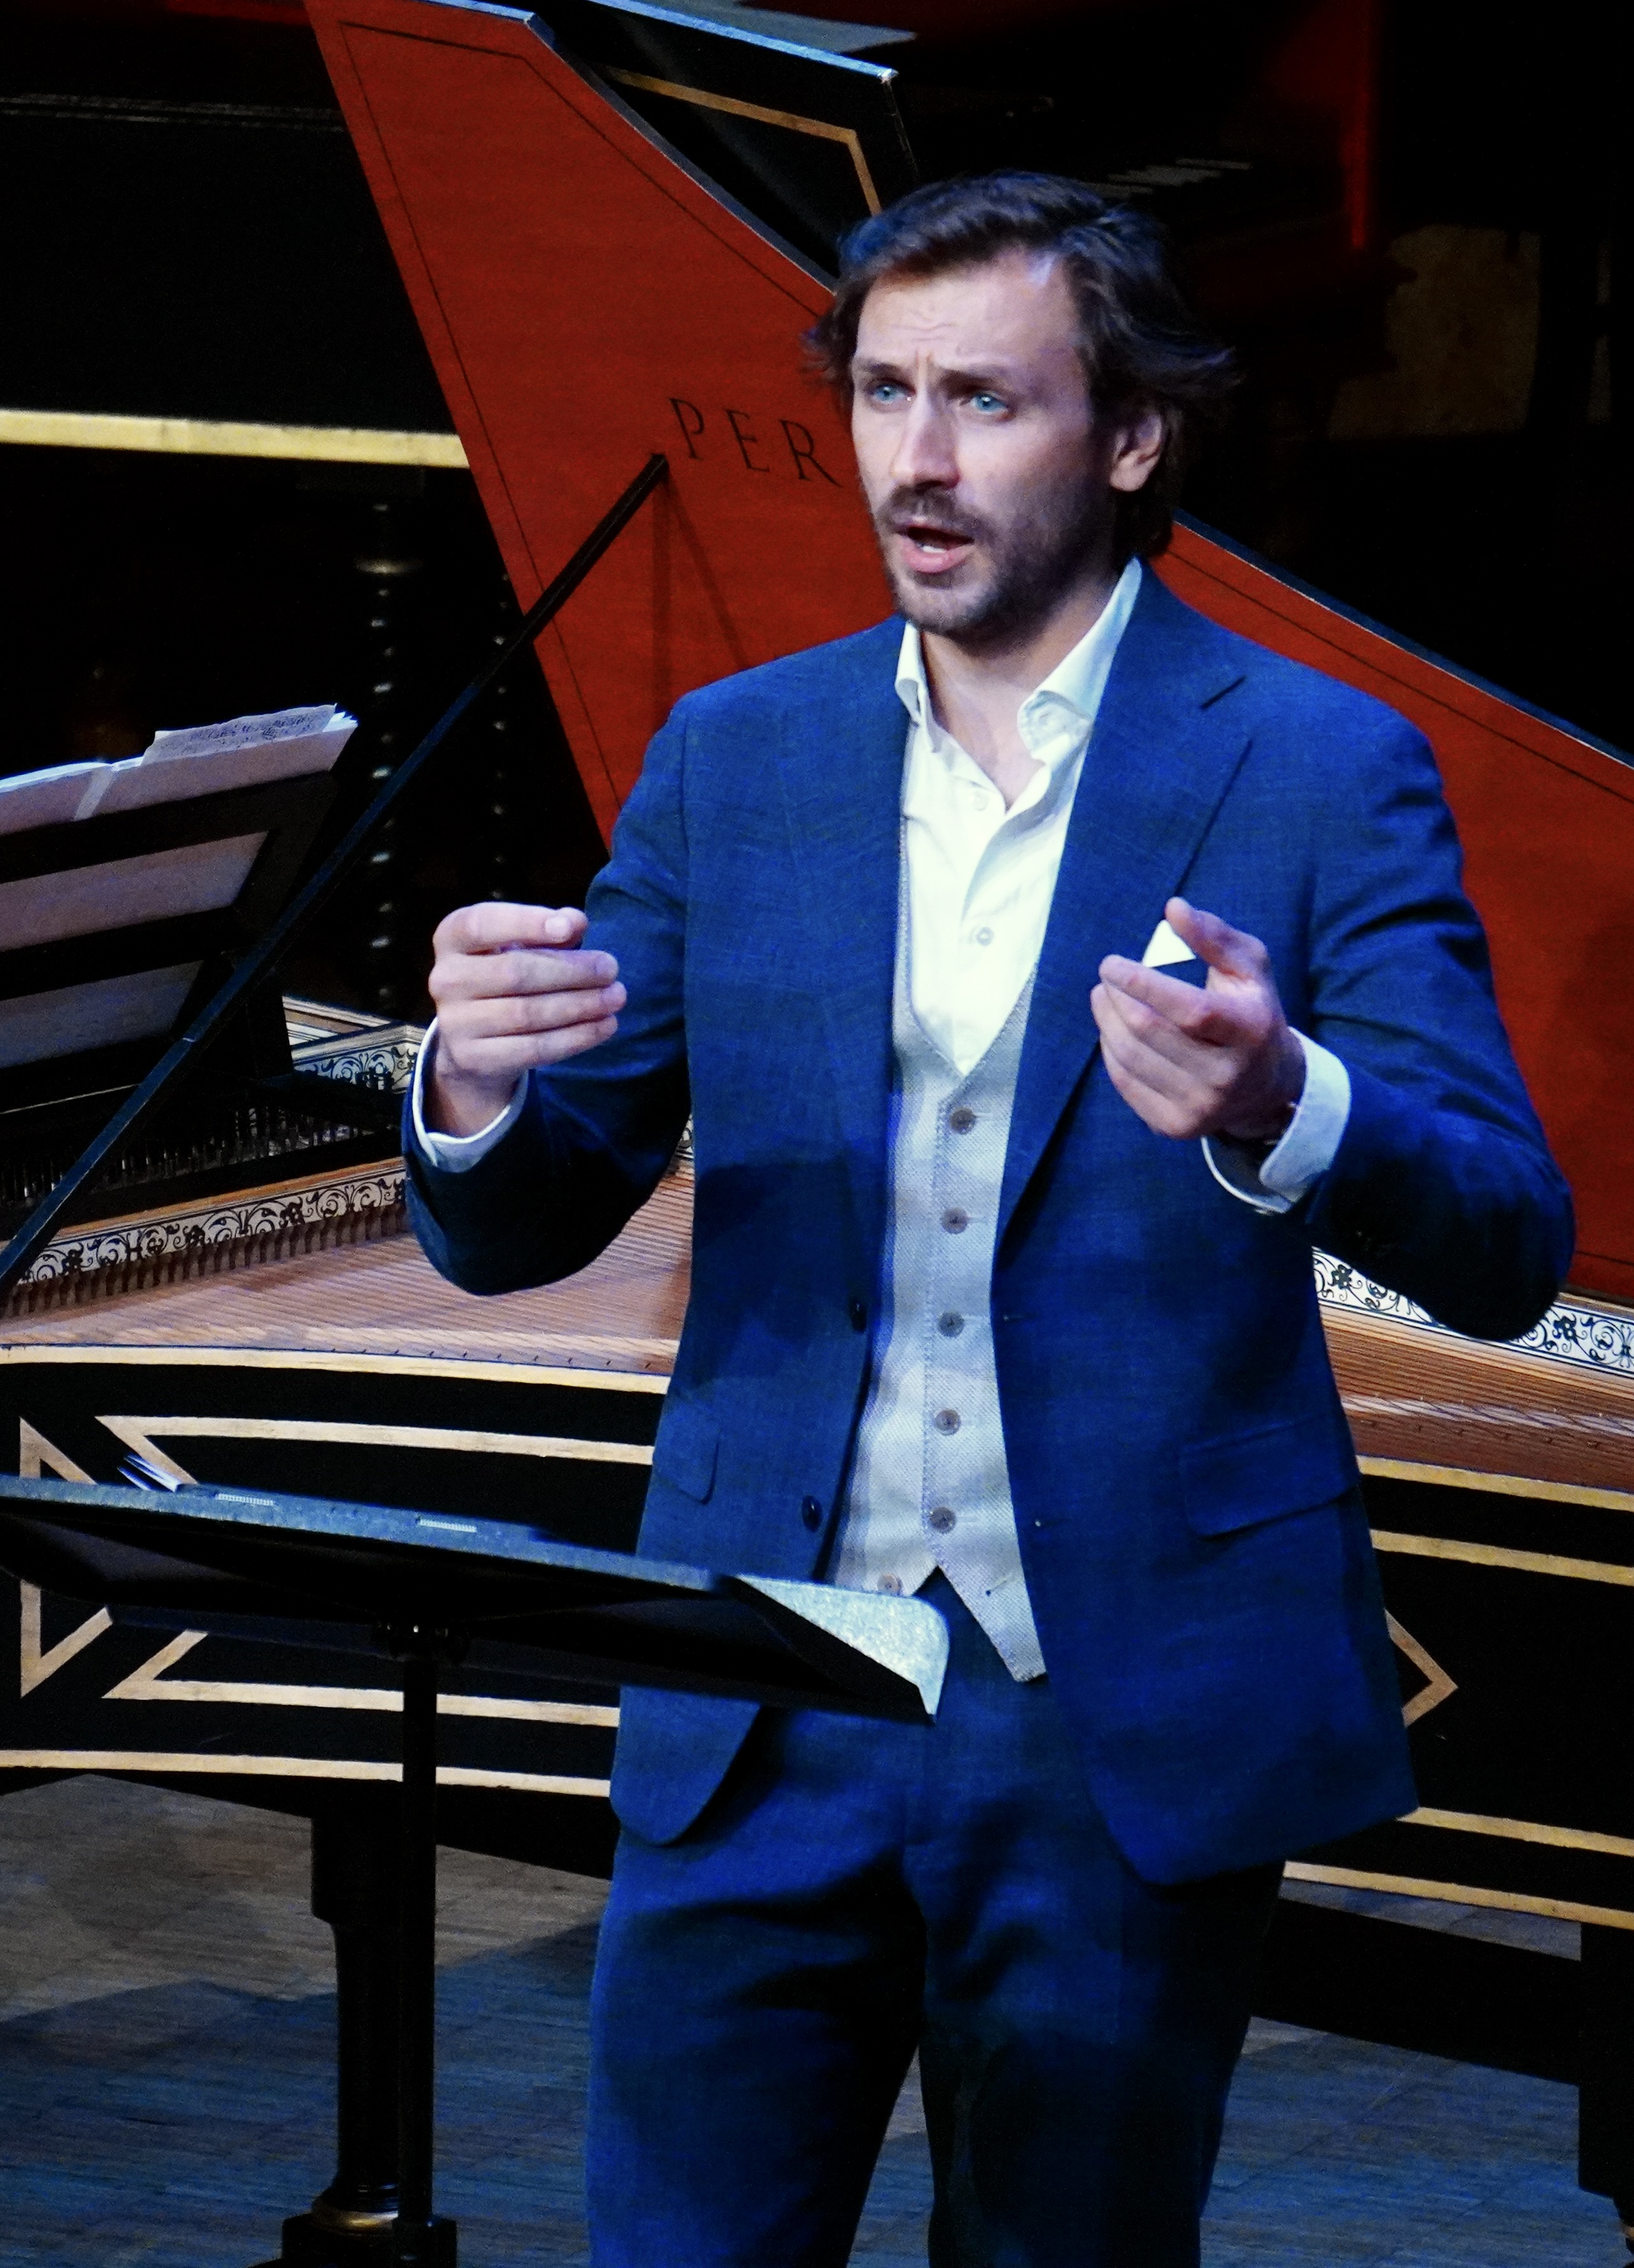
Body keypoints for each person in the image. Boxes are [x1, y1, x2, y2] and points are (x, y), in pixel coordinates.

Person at [408, 173, 1575, 2265]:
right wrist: (483, 1089)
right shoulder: (738, 760)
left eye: (983, 403)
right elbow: (522, 1220)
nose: (916, 464)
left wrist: (1286, 1104)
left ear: (1131, 438)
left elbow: (1507, 1236)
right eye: (881, 394)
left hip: (1110, 1721)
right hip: (760, 1693)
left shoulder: (1317, 771)